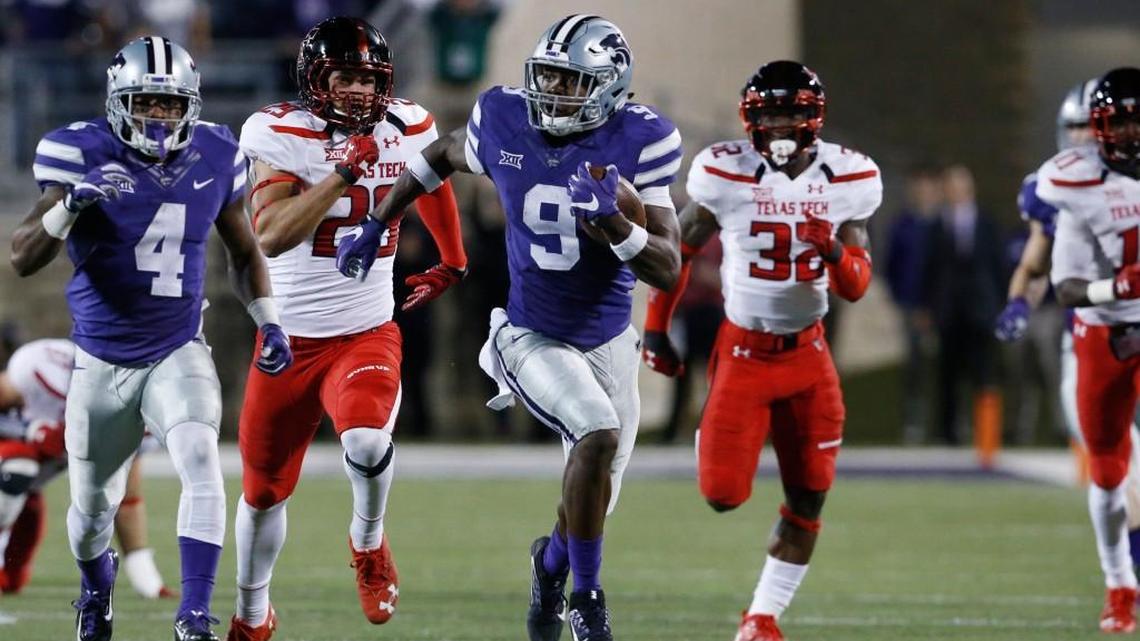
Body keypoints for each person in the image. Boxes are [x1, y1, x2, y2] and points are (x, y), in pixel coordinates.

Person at [338, 14, 682, 641]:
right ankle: (587, 600)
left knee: (594, 501)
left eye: (570, 81)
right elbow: (440, 154)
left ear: (609, 87)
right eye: (546, 75)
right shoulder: (504, 116)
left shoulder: (641, 139)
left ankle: (550, 568)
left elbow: (667, 266)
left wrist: (618, 228)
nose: (551, 91)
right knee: (596, 435)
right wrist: (377, 221)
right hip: (531, 335)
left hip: (608, 342)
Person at [9, 36, 291, 641]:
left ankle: (193, 614)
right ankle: (96, 590)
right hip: (101, 360)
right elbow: (22, 258)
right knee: (90, 514)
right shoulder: (77, 150)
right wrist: (70, 207)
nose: (159, 117)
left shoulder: (217, 151)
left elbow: (244, 252)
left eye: (169, 104)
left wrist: (268, 318)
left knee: (201, 463)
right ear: (117, 102)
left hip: (177, 347)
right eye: (146, 103)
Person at [225, 16, 466, 641]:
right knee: (261, 494)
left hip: (365, 331)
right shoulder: (278, 132)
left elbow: (430, 177)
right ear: (315, 79)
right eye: (345, 76)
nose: (359, 91)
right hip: (287, 342)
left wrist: (452, 257)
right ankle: (253, 615)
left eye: (368, 78)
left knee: (363, 441)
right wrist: (342, 174)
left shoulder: (407, 123)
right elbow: (272, 236)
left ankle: (369, 541)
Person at [641, 61, 881, 641]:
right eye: (768, 114)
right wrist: (655, 328)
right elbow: (681, 252)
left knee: (809, 495)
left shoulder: (847, 178)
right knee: (723, 495)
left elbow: (855, 285)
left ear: (811, 118)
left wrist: (830, 253)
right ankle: (714, 434)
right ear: (751, 119)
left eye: (789, 114)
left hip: (808, 355)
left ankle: (762, 617)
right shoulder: (725, 172)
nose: (778, 125)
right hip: (744, 351)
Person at [1045, 66, 1140, 634]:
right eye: (1117, 123)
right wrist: (1120, 288)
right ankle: (1119, 584)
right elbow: (1066, 288)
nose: (1128, 134)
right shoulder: (1074, 181)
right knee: (1107, 473)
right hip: (1105, 331)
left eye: (1136, 122)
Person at [0, 338, 174, 601]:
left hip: (29, 493)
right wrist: (28, 431)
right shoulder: (40, 368)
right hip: (11, 468)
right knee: (18, 467)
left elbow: (126, 498)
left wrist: (146, 579)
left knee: (11, 582)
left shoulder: (132, 412)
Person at [885, 164, 941, 443]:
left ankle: (947, 424)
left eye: (928, 186)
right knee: (914, 367)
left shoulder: (944, 224)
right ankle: (914, 423)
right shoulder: (902, 225)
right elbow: (892, 266)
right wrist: (904, 301)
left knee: (946, 366)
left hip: (941, 309)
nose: (923, 192)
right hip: (910, 306)